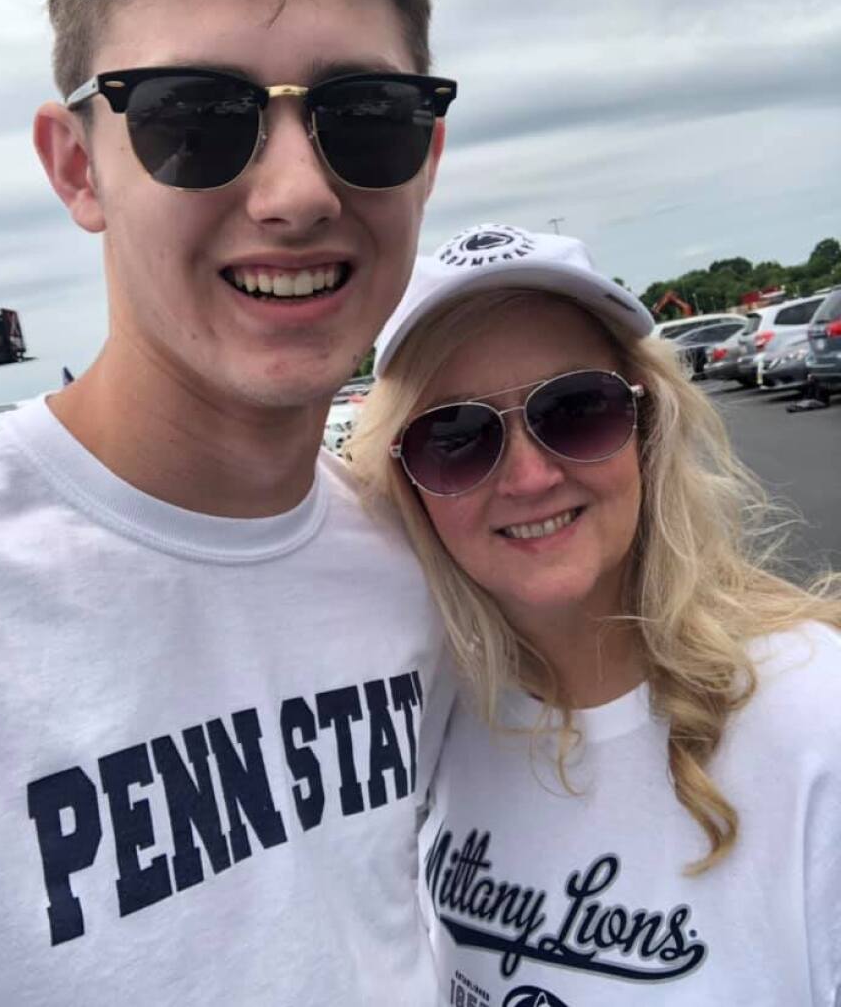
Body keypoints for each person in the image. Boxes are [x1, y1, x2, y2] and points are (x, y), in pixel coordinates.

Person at [0, 0, 458, 1002]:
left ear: (426, 156)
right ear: (77, 167)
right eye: (193, 116)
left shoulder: (427, 558)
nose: (295, 194)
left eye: (365, 114)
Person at [349, 223, 841, 1007]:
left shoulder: (813, 714)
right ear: (406, 481)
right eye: (458, 436)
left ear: (645, 427)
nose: (531, 475)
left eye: (577, 408)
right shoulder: (436, 723)